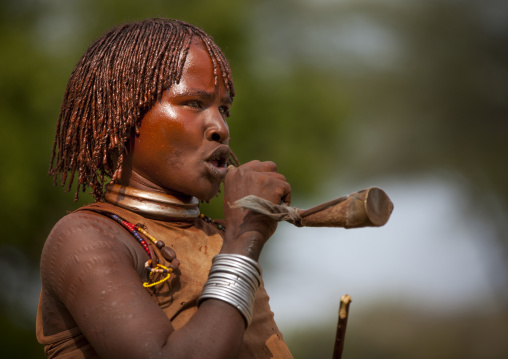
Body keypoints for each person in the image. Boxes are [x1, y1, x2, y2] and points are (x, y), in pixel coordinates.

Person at [37, 18, 294, 358]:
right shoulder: (84, 237)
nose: (220, 127)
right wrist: (244, 238)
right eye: (194, 103)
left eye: (224, 109)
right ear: (124, 115)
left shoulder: (218, 239)